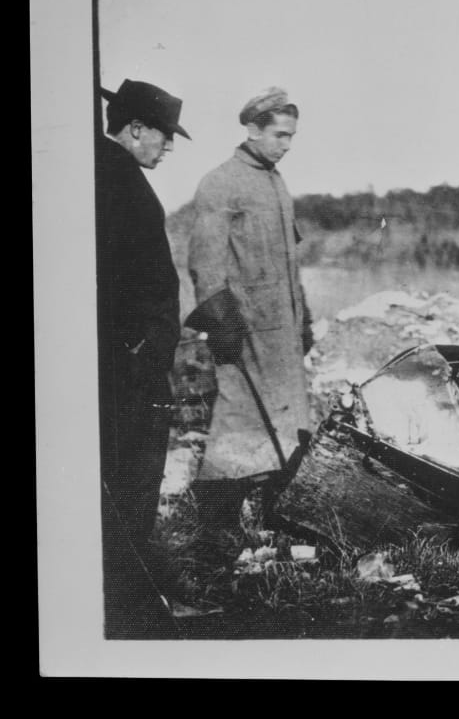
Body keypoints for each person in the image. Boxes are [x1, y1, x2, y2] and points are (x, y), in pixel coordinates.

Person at [186, 87, 313, 527]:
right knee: (238, 425)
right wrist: (222, 326)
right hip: (246, 334)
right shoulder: (220, 182)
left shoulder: (276, 183)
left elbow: (288, 260)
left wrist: (305, 317)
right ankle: (213, 532)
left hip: (283, 335)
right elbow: (205, 263)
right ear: (252, 129)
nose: (287, 145)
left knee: (290, 426)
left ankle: (280, 521)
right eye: (280, 135)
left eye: (292, 136)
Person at [95, 79, 191, 631]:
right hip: (128, 373)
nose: (168, 146)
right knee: (131, 482)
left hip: (120, 362)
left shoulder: (104, 173)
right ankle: (128, 607)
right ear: (135, 129)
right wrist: (140, 353)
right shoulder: (120, 181)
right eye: (163, 135)